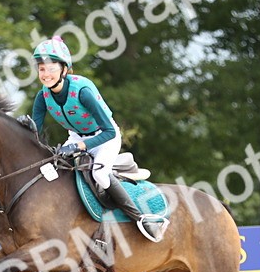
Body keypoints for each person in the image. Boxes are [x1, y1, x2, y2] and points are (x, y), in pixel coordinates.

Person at [31, 36, 168, 242]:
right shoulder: (43, 97)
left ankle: (140, 219)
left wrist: (79, 146)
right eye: (42, 69)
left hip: (105, 137)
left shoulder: (83, 92)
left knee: (100, 175)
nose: (46, 74)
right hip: (76, 137)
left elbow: (109, 132)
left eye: (51, 68)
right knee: (52, 170)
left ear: (64, 70)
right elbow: (35, 131)